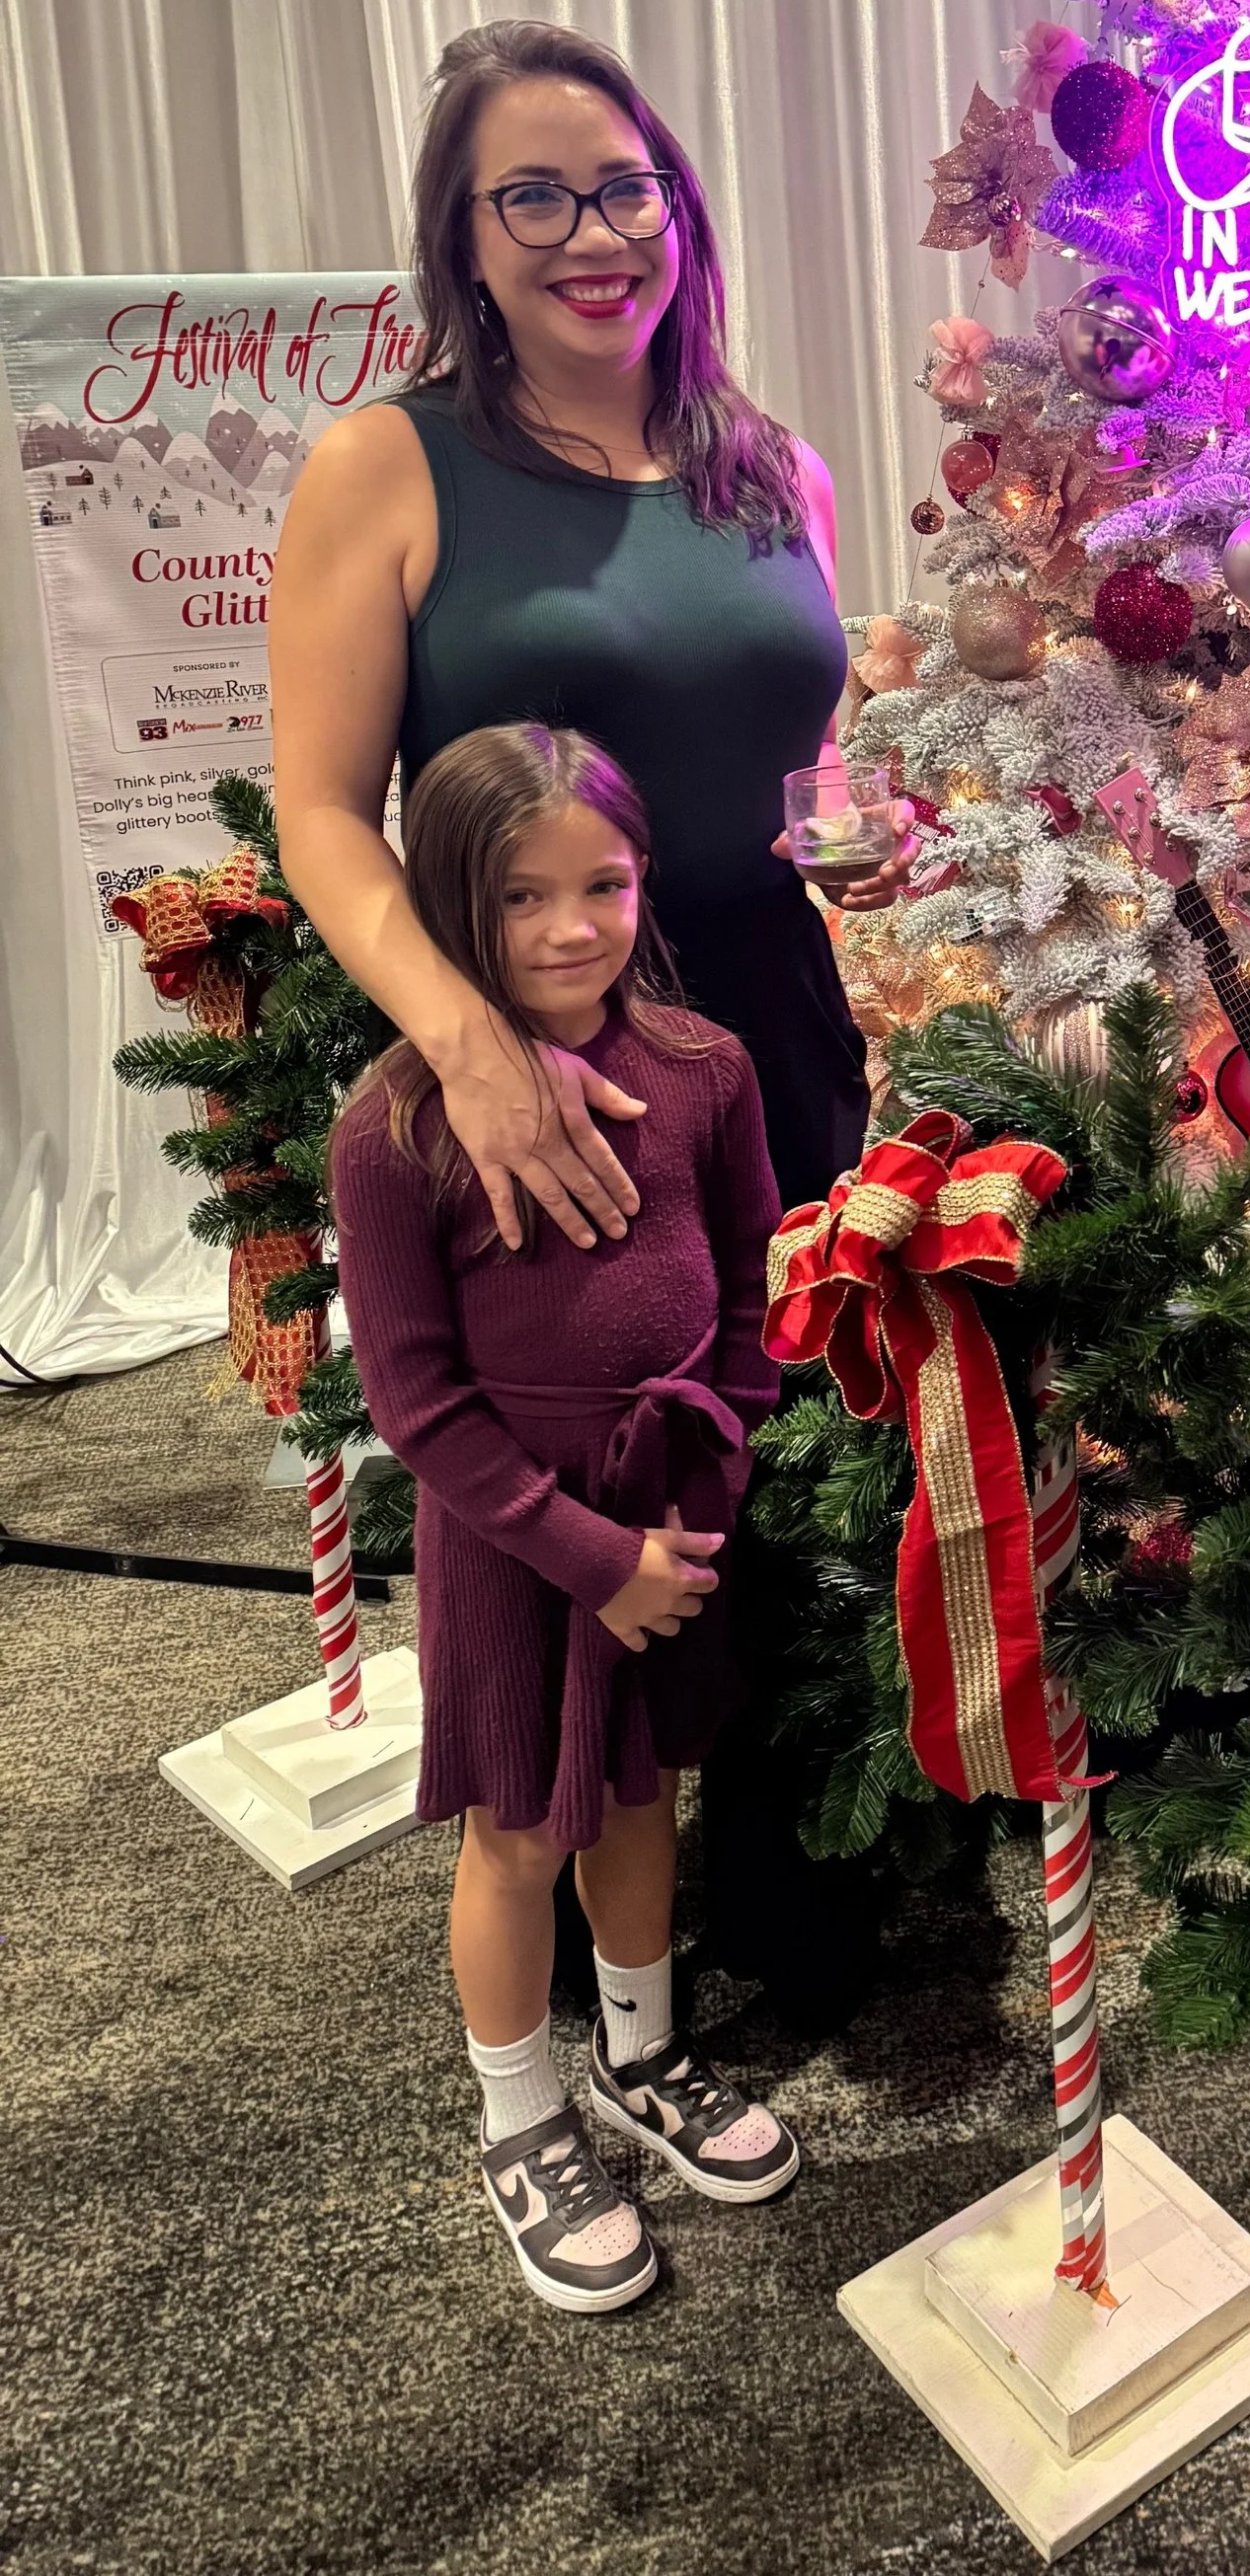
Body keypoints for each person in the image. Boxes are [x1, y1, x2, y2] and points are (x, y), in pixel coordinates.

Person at [272, 16, 903, 2008]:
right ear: (464, 239)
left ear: (677, 210)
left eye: (620, 186)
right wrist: (469, 1048)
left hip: (774, 1025)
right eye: (528, 196)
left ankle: (791, 1898)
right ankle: (566, 1961)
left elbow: (800, 758)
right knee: (581, 1493)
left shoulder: (769, 459)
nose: (586, 232)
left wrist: (874, 855)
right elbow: (316, 810)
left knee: (786, 1440)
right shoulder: (392, 461)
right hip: (536, 1037)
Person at [330, 724, 800, 2314]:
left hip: (671, 1521)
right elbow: (414, 1403)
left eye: (602, 884)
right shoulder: (392, 1129)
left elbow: (750, 1287)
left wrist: (712, 1472)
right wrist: (589, 1557)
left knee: (649, 1788)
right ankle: (522, 2121)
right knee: (520, 1829)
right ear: (456, 905)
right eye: (523, 897)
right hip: (518, 1536)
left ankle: (643, 2053)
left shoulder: (707, 1070)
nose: (570, 928)